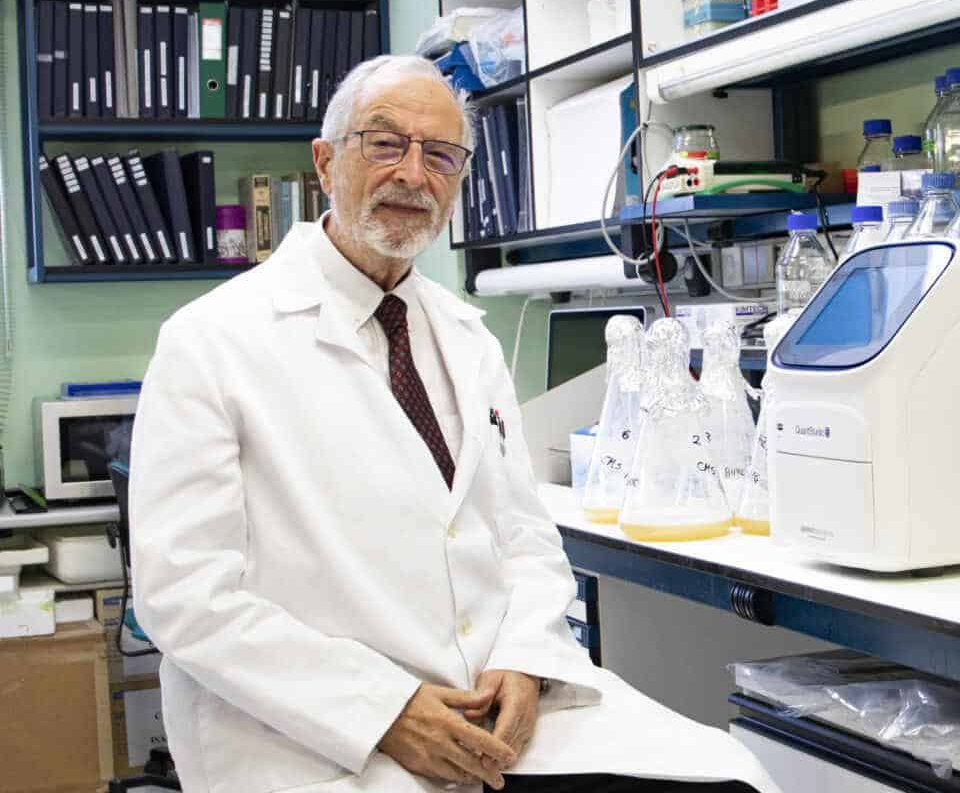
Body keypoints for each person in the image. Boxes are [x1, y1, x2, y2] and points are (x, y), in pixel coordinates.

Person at [129, 55, 778, 793]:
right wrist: (385, 710)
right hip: (312, 734)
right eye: (384, 143)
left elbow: (523, 538)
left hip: (489, 709)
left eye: (440, 155)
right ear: (324, 161)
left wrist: (527, 661)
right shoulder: (212, 341)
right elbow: (183, 595)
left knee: (733, 774)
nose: (413, 174)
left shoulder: (465, 337)